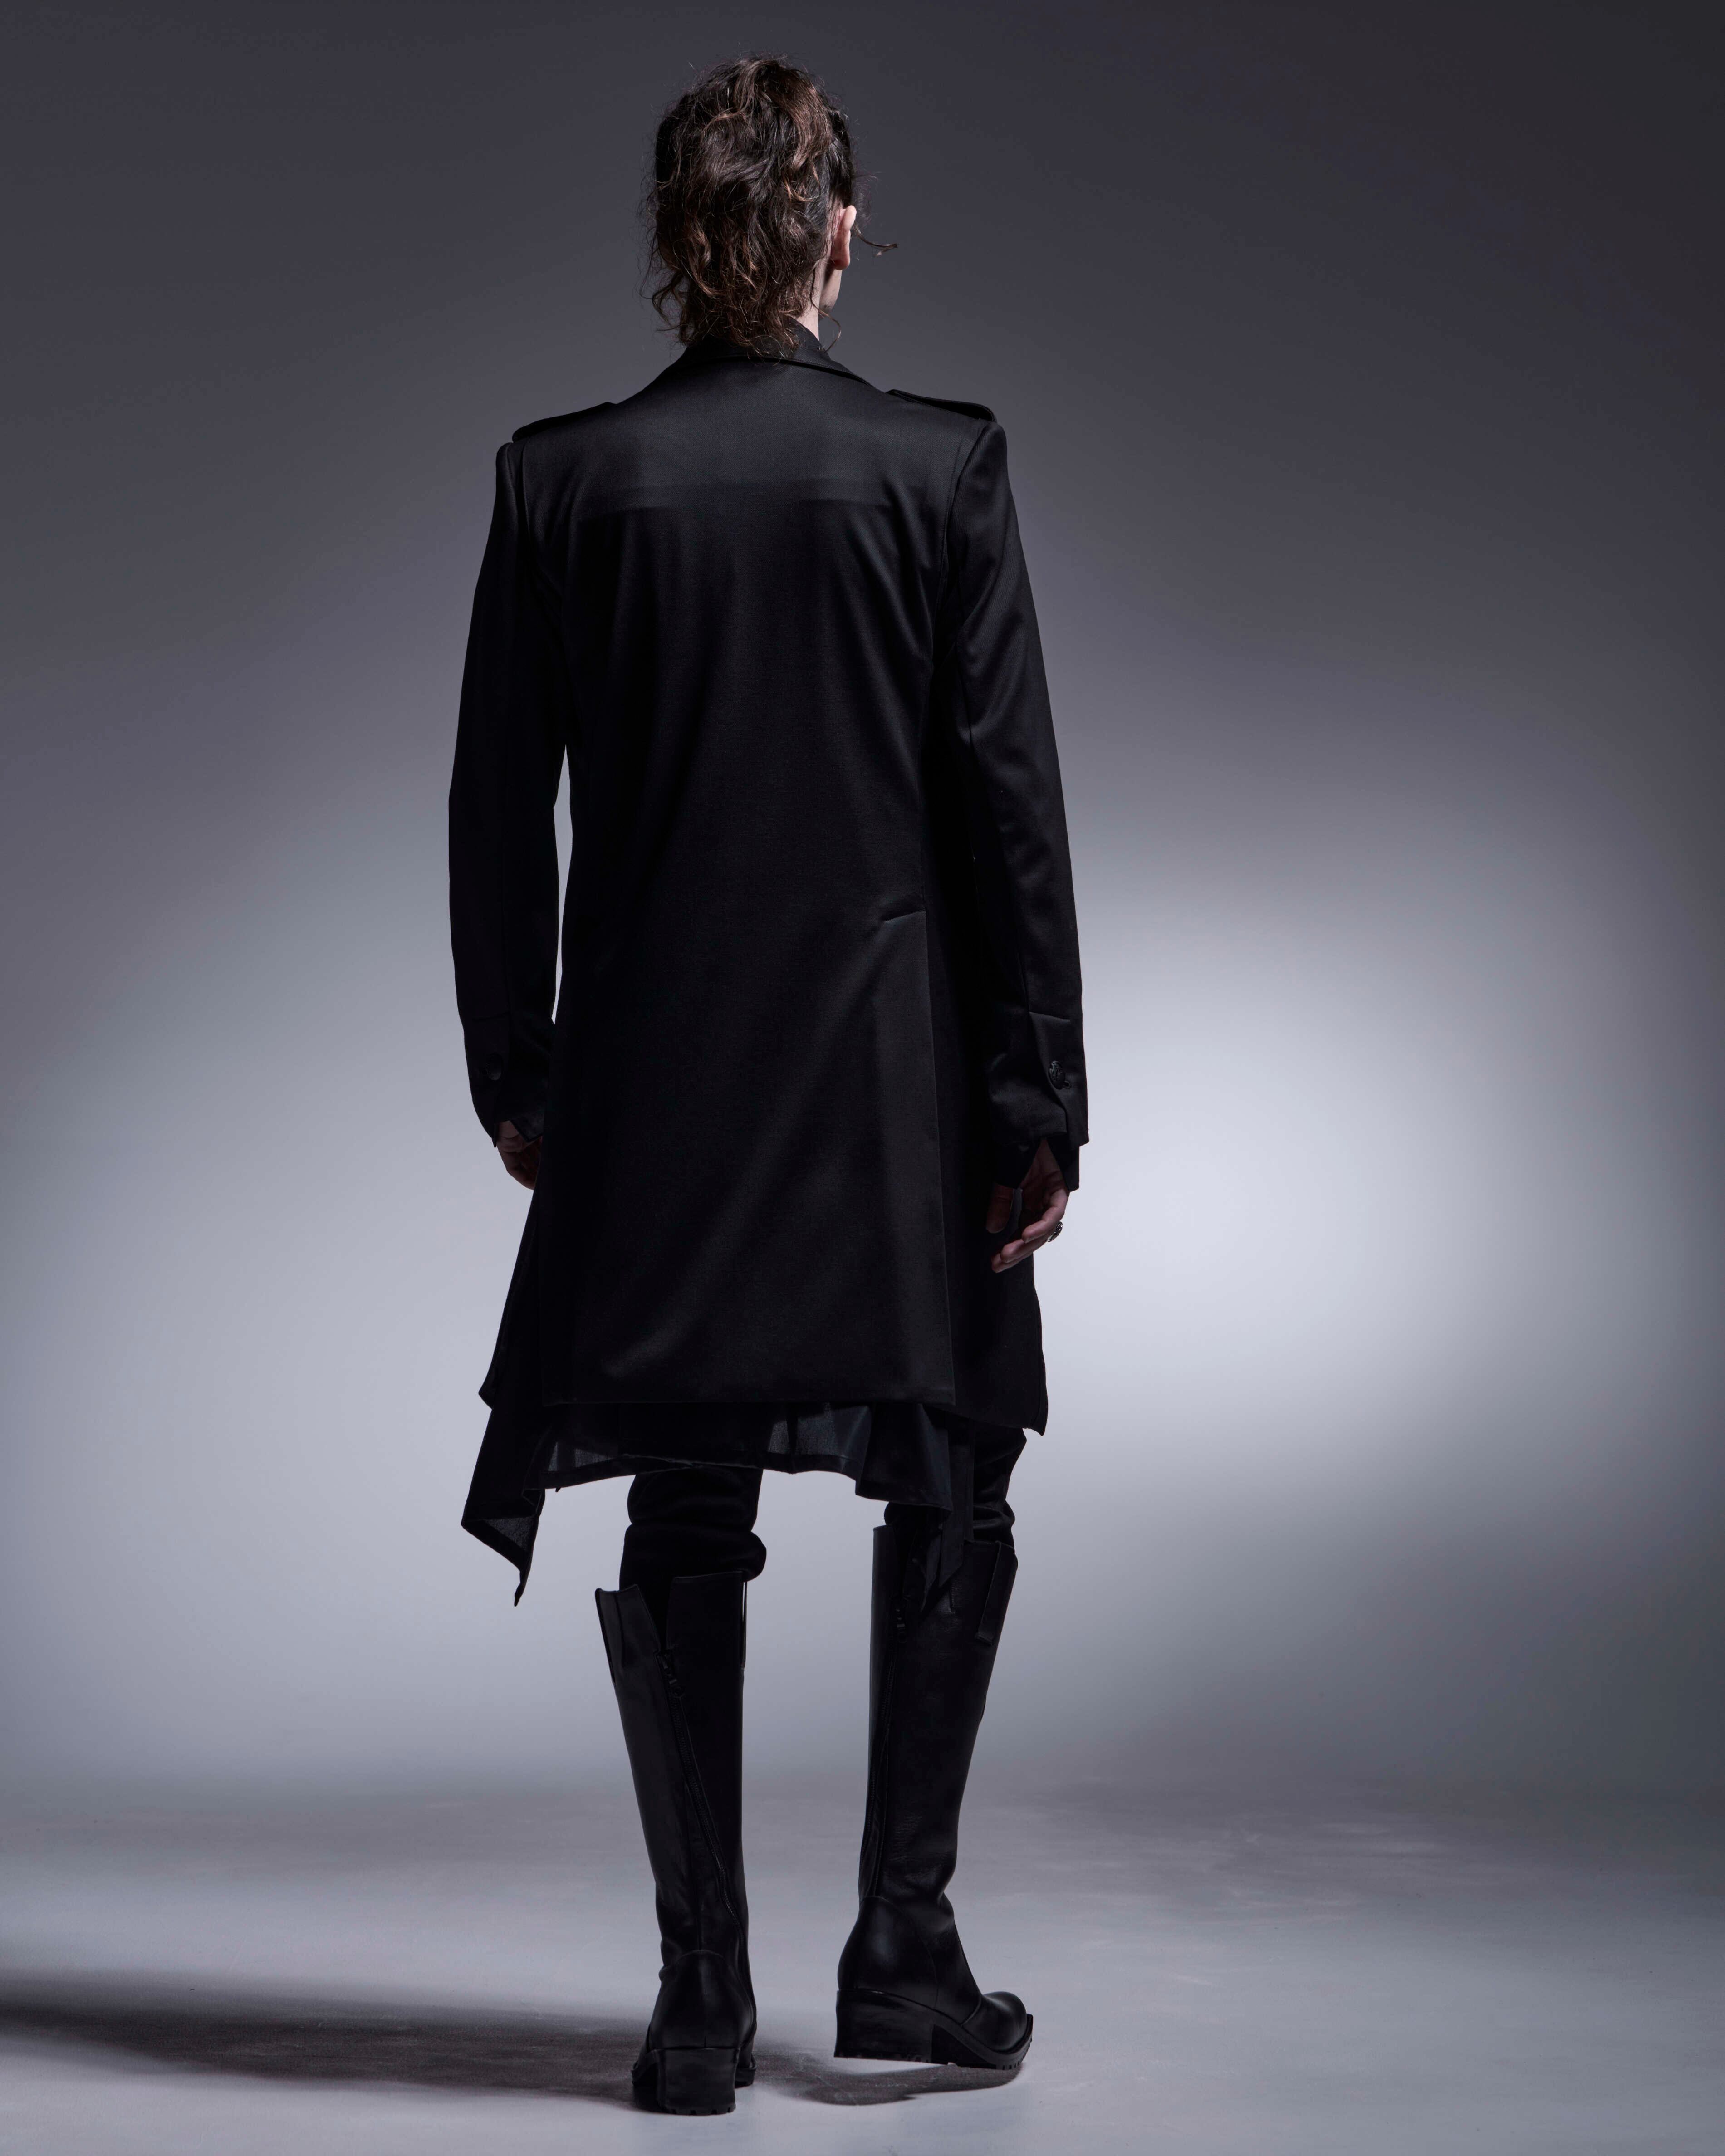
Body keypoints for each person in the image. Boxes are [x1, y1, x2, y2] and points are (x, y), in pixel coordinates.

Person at [448, 53, 1086, 2115]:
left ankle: (701, 1995)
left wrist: (518, 1066)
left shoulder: (563, 483)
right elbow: (1007, 814)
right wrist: (1037, 1097)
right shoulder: (938, 467)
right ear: (836, 235)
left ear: (674, 243)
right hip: (897, 1085)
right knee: (953, 1470)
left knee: (685, 1491)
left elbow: (496, 812)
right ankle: (903, 1942)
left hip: (659, 1085)